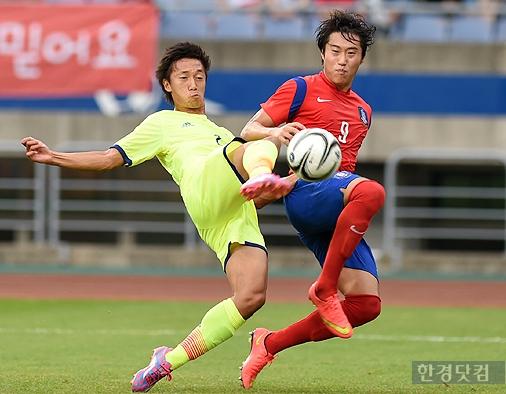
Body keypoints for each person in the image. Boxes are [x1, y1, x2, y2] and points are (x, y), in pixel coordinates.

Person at [21, 42, 292, 393]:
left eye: (199, 77)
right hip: (201, 189)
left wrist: (275, 189)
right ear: (167, 84)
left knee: (252, 296)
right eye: (184, 78)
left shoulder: (221, 134)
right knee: (263, 139)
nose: (193, 84)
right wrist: (54, 156)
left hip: (234, 212)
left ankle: (166, 360)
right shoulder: (162, 122)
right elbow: (108, 158)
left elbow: (254, 204)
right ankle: (262, 171)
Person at [239, 9, 386, 388]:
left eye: (351, 53)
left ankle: (268, 344)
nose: (342, 60)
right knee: (372, 190)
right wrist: (276, 134)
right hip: (304, 191)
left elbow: (346, 165)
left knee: (366, 305)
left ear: (362, 58)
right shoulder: (299, 88)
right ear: (322, 52)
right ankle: (324, 287)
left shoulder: (363, 111)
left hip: (335, 202)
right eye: (335, 51)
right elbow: (248, 130)